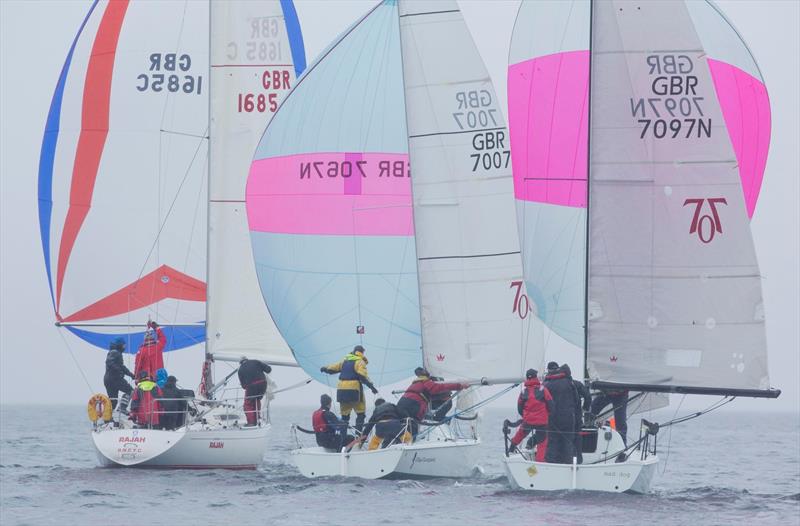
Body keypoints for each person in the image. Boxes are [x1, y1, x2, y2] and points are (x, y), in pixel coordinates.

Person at [396, 368, 468, 438]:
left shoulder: (415, 383)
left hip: (402, 402)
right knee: (413, 426)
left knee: (403, 424)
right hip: (413, 404)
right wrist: (459, 385)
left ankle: (398, 441)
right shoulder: (426, 382)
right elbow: (441, 387)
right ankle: (409, 442)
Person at [321, 345, 378, 434]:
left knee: (345, 416)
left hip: (341, 390)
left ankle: (342, 438)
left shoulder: (345, 361)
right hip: (354, 390)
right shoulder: (360, 361)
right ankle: (358, 436)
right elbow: (362, 376)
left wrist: (325, 368)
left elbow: (333, 368)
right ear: (362, 352)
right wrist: (372, 387)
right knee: (360, 413)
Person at [509, 369, 553, 461]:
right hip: (541, 422)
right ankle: (539, 463)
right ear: (535, 377)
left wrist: (525, 416)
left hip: (528, 420)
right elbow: (551, 405)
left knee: (520, 435)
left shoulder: (523, 392)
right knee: (542, 443)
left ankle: (511, 449)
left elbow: (519, 408)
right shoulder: (543, 390)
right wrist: (547, 414)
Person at [542, 361, 578, 464]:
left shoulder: (546, 384)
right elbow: (576, 400)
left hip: (552, 419)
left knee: (552, 443)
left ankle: (551, 466)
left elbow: (543, 403)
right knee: (568, 443)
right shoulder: (569, 382)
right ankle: (568, 467)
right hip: (568, 418)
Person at [561, 364, 591, 463]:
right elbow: (588, 396)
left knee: (566, 438)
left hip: (564, 417)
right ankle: (578, 460)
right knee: (577, 437)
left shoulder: (560, 385)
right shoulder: (577, 384)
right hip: (577, 416)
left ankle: (567, 460)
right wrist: (585, 408)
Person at [238, 357, 272, 426]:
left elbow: (244, 386)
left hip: (252, 386)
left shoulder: (240, 369)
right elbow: (268, 370)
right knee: (257, 400)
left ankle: (251, 422)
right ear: (247, 359)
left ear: (240, 363)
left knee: (248, 404)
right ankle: (257, 419)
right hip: (263, 384)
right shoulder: (256, 361)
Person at [104, 337, 134, 412]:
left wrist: (131, 375)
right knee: (130, 391)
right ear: (120, 345)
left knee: (113, 401)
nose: (125, 347)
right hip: (115, 379)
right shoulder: (115, 352)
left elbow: (121, 366)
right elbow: (109, 362)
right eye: (124, 345)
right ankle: (122, 407)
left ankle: (107, 419)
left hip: (108, 379)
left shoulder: (113, 352)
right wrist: (119, 370)